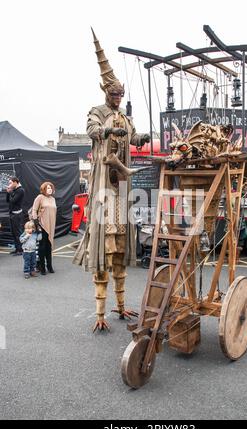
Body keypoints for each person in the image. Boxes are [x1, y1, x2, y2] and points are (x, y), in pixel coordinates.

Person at [73, 29, 150, 332]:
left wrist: (140, 137)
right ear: (105, 92)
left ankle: (120, 306)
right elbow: (92, 130)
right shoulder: (98, 112)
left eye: (121, 95)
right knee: (105, 252)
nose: (118, 98)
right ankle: (101, 312)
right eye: (114, 94)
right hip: (105, 188)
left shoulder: (126, 117)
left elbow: (134, 138)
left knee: (119, 250)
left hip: (122, 192)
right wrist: (107, 131)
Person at [32, 181, 57, 275]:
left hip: (51, 225)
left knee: (49, 246)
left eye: (51, 188)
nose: (49, 189)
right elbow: (34, 210)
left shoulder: (53, 199)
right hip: (42, 225)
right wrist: (36, 222)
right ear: (43, 189)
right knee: (42, 246)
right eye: (47, 188)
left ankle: (49, 266)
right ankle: (42, 267)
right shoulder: (40, 197)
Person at [6, 177, 25, 255]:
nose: (9, 185)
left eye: (10, 183)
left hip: (17, 214)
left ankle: (20, 249)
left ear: (15, 182)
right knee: (13, 232)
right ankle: (17, 249)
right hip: (12, 214)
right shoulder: (14, 190)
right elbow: (8, 201)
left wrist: (10, 192)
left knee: (18, 232)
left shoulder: (20, 190)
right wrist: (8, 192)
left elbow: (13, 201)